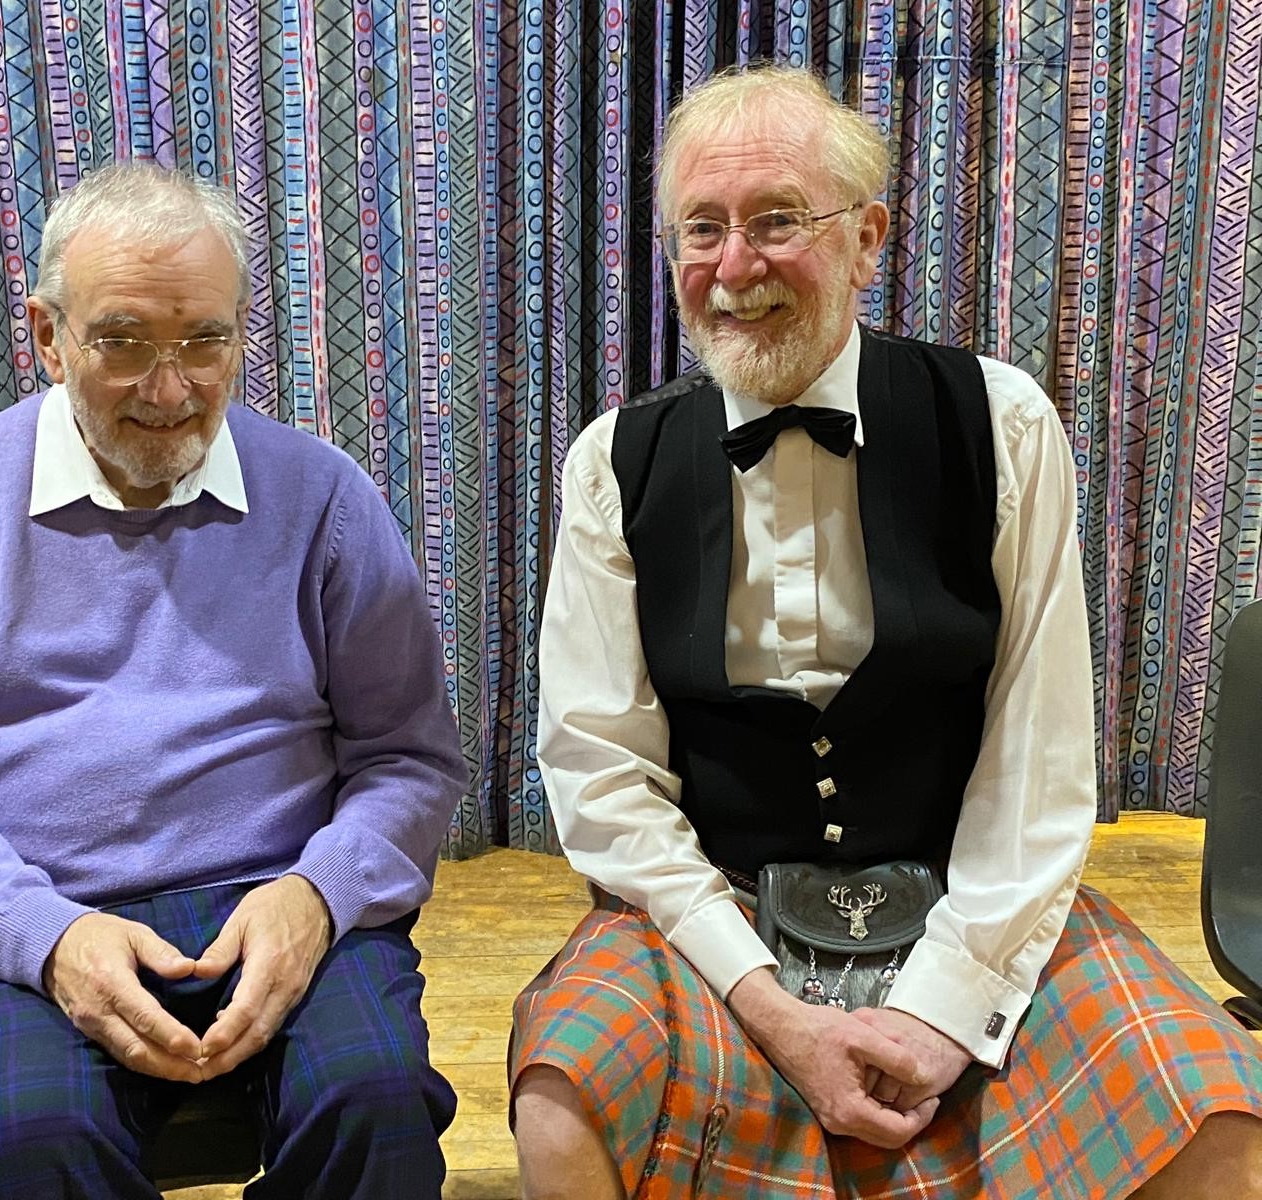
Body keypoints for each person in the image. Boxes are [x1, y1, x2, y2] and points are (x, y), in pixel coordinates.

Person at [511, 66, 1262, 1199]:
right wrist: (763, 999)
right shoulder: (610, 465)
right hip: (714, 909)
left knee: (1221, 1128)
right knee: (561, 1101)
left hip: (970, 901)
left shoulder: (1003, 424)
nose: (734, 267)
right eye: (701, 230)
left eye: (777, 221)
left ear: (866, 240)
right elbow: (602, 777)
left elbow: (1039, 755)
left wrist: (946, 1007)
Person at [0, 162, 467, 1200]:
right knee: (31, 1142)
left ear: (240, 334)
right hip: (35, 902)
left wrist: (318, 897)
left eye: (204, 341)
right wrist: (45, 937)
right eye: (122, 342)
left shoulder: (324, 498)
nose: (169, 390)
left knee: (376, 1102)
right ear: (48, 336)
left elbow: (408, 758)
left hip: (277, 893)